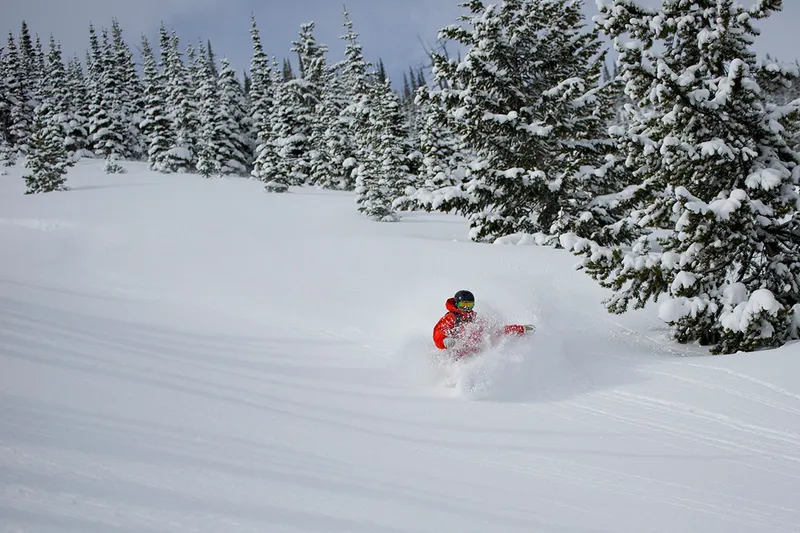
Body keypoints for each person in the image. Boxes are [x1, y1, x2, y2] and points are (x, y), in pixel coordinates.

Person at [432, 290, 534, 358]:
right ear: (456, 304)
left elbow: (496, 331)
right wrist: (444, 340)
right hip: (455, 355)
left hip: (474, 354)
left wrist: (520, 329)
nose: (467, 308)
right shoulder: (451, 317)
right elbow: (438, 331)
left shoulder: (474, 319)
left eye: (469, 305)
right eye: (463, 305)